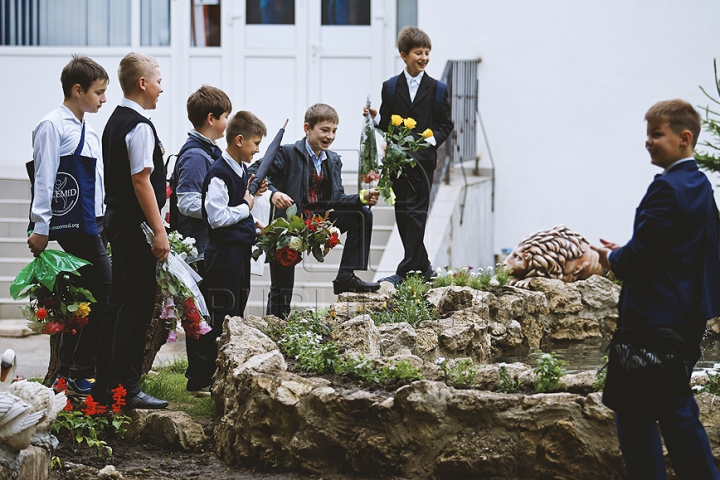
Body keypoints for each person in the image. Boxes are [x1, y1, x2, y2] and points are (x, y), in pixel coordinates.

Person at [592, 99, 720, 479]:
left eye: (656, 134)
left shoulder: (666, 189)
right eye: (647, 134)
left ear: (684, 138)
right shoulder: (698, 184)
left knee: (636, 413)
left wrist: (611, 259)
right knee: (673, 409)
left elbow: (641, 256)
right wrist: (628, 251)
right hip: (684, 316)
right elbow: (681, 248)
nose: (648, 142)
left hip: (652, 319)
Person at [28, 55, 111, 397]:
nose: (103, 99)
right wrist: (41, 226)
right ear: (78, 90)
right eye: (98, 92)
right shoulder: (53, 125)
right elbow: (45, 177)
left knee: (82, 299)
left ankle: (67, 372)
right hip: (76, 227)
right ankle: (79, 371)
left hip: (95, 221)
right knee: (106, 292)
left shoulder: (86, 128)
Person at [248, 103, 380, 318]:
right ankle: (275, 325)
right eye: (325, 130)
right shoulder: (288, 153)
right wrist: (273, 193)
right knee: (281, 287)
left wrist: (361, 198)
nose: (330, 136)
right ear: (307, 128)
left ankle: (346, 276)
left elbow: (336, 199)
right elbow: (255, 171)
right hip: (290, 225)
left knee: (362, 214)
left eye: (334, 131)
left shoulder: (333, 160)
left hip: (319, 221)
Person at [98, 52, 169, 409]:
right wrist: (159, 231)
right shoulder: (139, 125)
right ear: (142, 83)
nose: (161, 88)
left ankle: (106, 384)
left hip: (118, 223)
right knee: (135, 306)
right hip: (134, 228)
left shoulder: (115, 120)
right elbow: (141, 181)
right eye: (158, 80)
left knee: (119, 302)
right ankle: (126, 387)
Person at [365, 26, 453, 287]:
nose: (424, 57)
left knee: (417, 213)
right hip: (397, 162)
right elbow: (386, 124)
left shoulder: (438, 89)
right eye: (418, 53)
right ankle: (422, 266)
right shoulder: (390, 87)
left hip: (423, 163)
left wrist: (425, 142)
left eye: (427, 53)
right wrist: (375, 117)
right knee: (403, 212)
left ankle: (406, 270)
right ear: (404, 55)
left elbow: (445, 126)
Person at [169, 86, 230, 397]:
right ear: (211, 118)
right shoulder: (195, 156)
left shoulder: (211, 152)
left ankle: (206, 376)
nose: (228, 122)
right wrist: (225, 208)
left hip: (210, 247)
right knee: (200, 316)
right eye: (225, 117)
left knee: (212, 314)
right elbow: (186, 202)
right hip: (198, 250)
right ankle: (198, 380)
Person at [201, 111, 267, 342]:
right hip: (223, 258)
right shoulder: (219, 173)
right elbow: (217, 217)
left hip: (239, 253)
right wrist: (246, 207)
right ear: (239, 140)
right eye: (256, 143)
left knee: (237, 311)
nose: (258, 150)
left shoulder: (240, 169)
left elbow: (236, 208)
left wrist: (253, 222)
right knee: (223, 315)